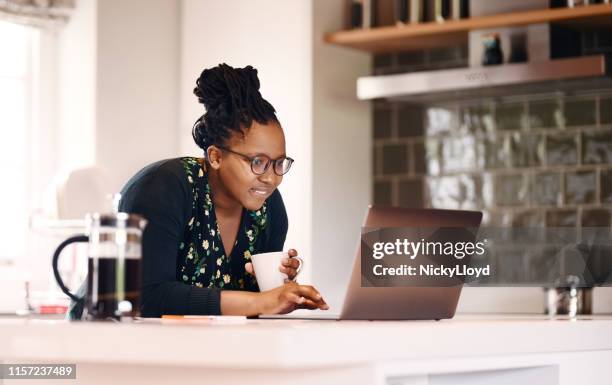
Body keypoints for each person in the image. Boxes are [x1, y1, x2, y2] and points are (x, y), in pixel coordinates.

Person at [114, 63, 328, 318]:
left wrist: (278, 290)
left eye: (278, 163)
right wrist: (261, 302)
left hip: (208, 349)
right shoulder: (162, 189)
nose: (271, 178)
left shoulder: (269, 208)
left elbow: (250, 308)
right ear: (215, 156)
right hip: (104, 342)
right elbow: (146, 297)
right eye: (257, 162)